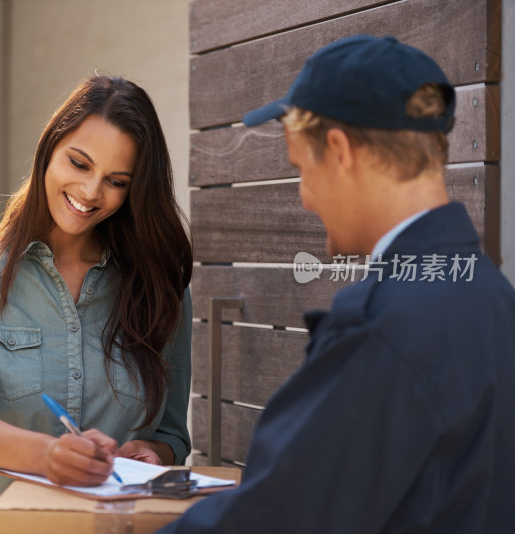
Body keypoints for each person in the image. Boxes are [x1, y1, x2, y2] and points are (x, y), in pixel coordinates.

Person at [159, 35, 515, 533]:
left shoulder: (384, 326)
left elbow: (278, 518)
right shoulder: (494, 299)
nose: (305, 199)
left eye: (301, 170)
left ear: (340, 150)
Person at [0, 75, 193, 533]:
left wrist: (153, 454)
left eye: (116, 181)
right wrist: (48, 456)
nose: (90, 192)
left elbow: (170, 433)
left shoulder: (159, 287)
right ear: (49, 148)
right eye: (80, 163)